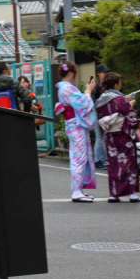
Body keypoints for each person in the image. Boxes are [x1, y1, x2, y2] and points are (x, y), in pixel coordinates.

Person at [94, 73, 140, 202]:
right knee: (129, 163)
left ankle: (114, 193)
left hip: (110, 135)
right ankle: (131, 193)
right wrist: (130, 104)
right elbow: (131, 116)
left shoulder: (100, 101)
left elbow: (100, 117)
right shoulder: (120, 99)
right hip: (123, 135)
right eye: (119, 83)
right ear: (116, 85)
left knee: (113, 164)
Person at [55, 61, 97, 202]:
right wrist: (88, 91)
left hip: (74, 124)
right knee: (78, 157)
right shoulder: (68, 89)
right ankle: (76, 191)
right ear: (71, 73)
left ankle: (79, 189)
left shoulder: (65, 88)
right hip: (75, 125)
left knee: (80, 155)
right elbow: (83, 104)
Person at [92, 63, 110, 170]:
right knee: (99, 137)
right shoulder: (96, 85)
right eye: (104, 72)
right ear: (98, 73)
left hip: (106, 114)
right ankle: (98, 160)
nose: (106, 74)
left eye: (107, 72)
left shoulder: (107, 85)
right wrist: (101, 103)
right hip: (97, 113)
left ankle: (103, 160)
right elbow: (91, 99)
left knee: (105, 137)